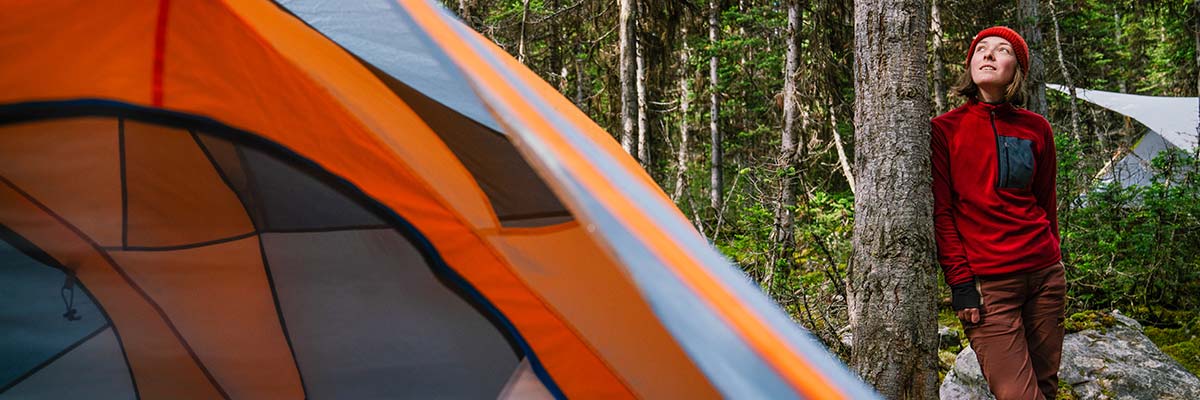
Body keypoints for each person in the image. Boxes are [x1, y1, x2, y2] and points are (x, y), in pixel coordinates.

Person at [931, 26, 1066, 400]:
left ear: (1017, 69)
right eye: (981, 49)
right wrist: (960, 285)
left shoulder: (1036, 128)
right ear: (970, 64)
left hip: (1045, 278)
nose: (988, 55)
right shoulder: (944, 130)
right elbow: (942, 214)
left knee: (1045, 389)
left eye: (1001, 50)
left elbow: (1045, 201)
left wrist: (1053, 259)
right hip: (990, 288)